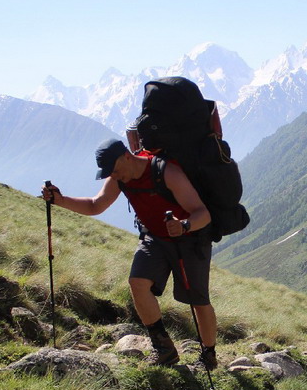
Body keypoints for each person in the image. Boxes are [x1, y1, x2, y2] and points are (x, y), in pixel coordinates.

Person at [41, 138, 217, 369]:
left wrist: (184, 225)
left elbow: (203, 213)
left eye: (114, 170)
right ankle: (164, 348)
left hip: (189, 239)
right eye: (109, 173)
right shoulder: (119, 178)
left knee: (198, 300)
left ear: (126, 156)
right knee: (137, 282)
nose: (113, 176)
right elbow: (96, 205)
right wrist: (60, 200)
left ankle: (209, 355)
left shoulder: (167, 172)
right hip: (154, 236)